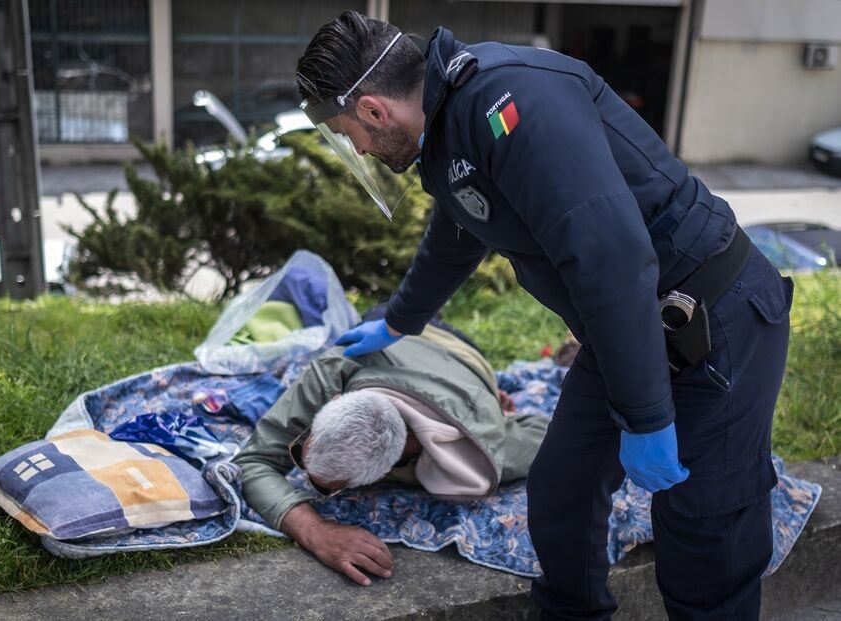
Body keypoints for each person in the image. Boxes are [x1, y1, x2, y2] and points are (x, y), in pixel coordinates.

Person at [294, 11, 793, 620]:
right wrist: (400, 320)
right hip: (625, 327)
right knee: (564, 492)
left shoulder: (513, 103)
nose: (361, 149)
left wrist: (647, 416)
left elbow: (610, 259)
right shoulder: (449, 124)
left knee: (703, 529)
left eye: (353, 134)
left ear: (374, 110)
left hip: (715, 317)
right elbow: (459, 226)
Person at [232, 320, 549, 587]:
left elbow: (544, 430)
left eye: (326, 486)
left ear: (384, 475)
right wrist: (314, 531)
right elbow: (251, 462)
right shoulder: (335, 368)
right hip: (388, 325)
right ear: (334, 401)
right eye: (301, 452)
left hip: (455, 347)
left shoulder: (486, 452)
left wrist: (501, 418)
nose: (301, 473)